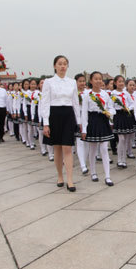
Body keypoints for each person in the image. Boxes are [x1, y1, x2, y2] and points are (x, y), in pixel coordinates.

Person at [40, 55, 82, 191]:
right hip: (54, 115)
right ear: (54, 66)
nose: (63, 66)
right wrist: (46, 123)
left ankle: (70, 179)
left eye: (65, 64)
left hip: (68, 115)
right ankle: (60, 176)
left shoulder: (72, 82)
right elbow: (45, 103)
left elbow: (75, 102)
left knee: (68, 147)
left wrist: (79, 121)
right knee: (57, 147)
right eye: (60, 64)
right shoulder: (49, 82)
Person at [82, 72, 115, 185]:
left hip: (103, 120)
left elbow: (111, 107)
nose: (98, 81)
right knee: (93, 148)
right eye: (95, 79)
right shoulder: (87, 95)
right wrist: (84, 129)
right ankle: (93, 172)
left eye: (100, 79)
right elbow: (84, 113)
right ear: (91, 81)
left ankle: (107, 176)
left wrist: (109, 113)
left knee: (104, 148)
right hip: (92, 121)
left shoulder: (105, 94)